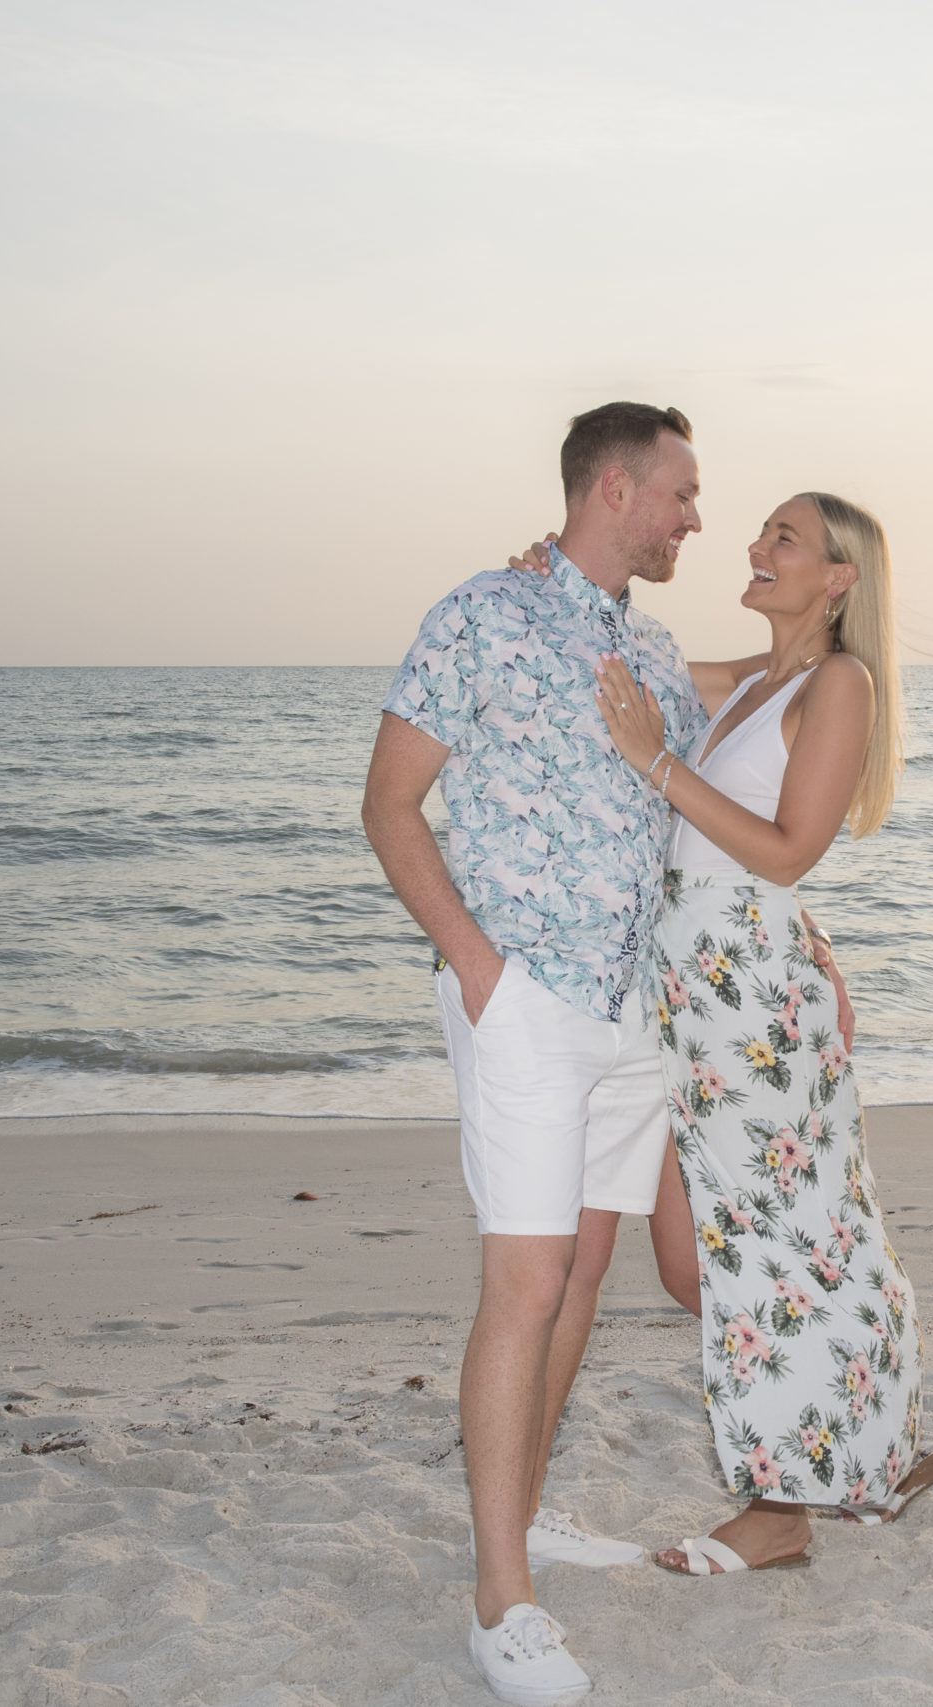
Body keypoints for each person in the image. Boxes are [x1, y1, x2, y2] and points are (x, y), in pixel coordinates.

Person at [361, 401, 705, 1705]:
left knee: (586, 1270)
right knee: (528, 1278)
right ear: (615, 487)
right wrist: (475, 963)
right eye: (680, 492)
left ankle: (522, 1508)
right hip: (526, 998)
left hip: (630, 1010)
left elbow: (710, 764)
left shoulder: (653, 648)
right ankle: (500, 1598)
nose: (693, 517)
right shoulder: (481, 614)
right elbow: (389, 803)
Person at [562, 491, 933, 1575]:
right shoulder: (750, 682)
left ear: (839, 577)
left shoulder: (841, 683)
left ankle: (782, 1505)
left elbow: (786, 851)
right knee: (696, 1259)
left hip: (753, 1003)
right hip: (698, 993)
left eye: (785, 537)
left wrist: (657, 764)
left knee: (770, 1248)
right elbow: (611, 664)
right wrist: (553, 572)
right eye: (763, 531)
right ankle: (869, 1447)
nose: (756, 546)